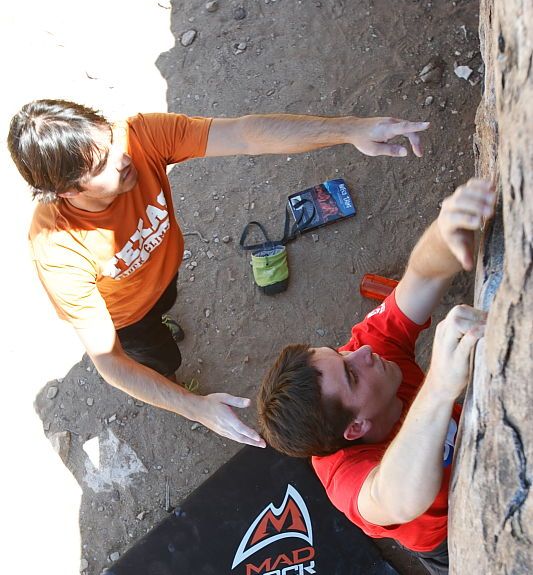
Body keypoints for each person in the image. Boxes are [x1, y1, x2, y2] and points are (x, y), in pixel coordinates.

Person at [8, 99, 429, 447]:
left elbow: (245, 133)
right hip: (127, 316)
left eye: (110, 140)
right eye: (101, 164)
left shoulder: (138, 135)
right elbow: (110, 361)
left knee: (167, 301)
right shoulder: (58, 249)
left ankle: (163, 316)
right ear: (67, 191)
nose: (123, 158)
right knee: (161, 357)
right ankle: (165, 364)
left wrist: (350, 130)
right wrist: (196, 407)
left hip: (164, 275)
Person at [257, 179, 496, 575]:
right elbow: (396, 497)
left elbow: (421, 276)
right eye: (350, 375)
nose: (361, 353)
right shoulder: (345, 477)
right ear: (355, 428)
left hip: (483, 444)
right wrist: (440, 387)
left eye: (339, 353)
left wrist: (445, 229)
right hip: (458, 542)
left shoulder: (365, 355)